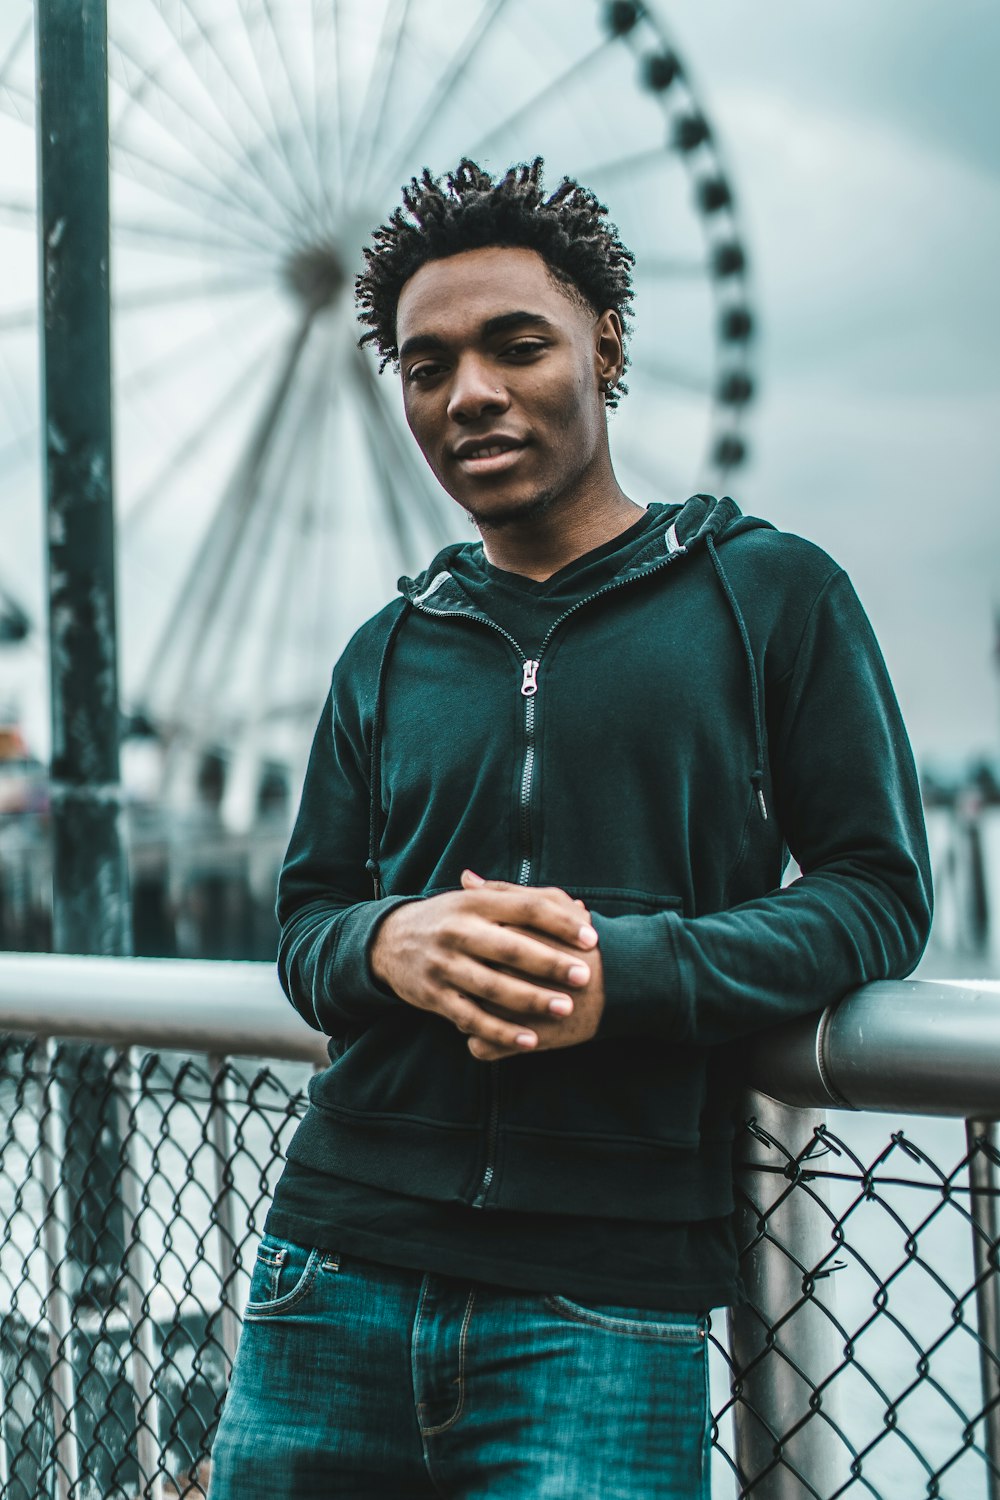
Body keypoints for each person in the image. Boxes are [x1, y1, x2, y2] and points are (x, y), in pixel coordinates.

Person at [208, 159, 932, 1499]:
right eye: (426, 367)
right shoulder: (387, 650)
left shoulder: (769, 596)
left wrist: (630, 976)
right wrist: (392, 945)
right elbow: (306, 926)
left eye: (514, 345)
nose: (467, 392)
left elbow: (879, 892)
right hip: (328, 1266)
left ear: (606, 344)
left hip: (600, 1299)